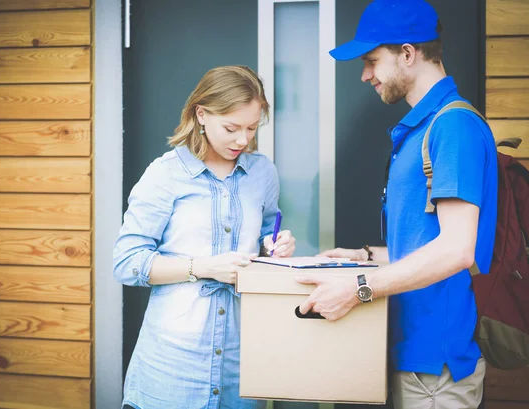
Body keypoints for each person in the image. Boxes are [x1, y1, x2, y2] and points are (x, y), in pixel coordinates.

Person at [296, 1, 497, 409]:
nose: (365, 74)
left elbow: (457, 249)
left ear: (408, 53)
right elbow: (429, 241)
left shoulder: (452, 126)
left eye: (372, 60)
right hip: (411, 356)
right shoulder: (422, 127)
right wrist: (366, 256)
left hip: (435, 370)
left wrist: (358, 290)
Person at [113, 65, 296, 409]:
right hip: (173, 365)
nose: (243, 140)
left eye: (252, 128)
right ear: (201, 114)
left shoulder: (262, 173)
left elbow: (264, 238)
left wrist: (274, 246)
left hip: (241, 363)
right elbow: (126, 263)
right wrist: (203, 267)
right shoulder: (165, 174)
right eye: (231, 128)